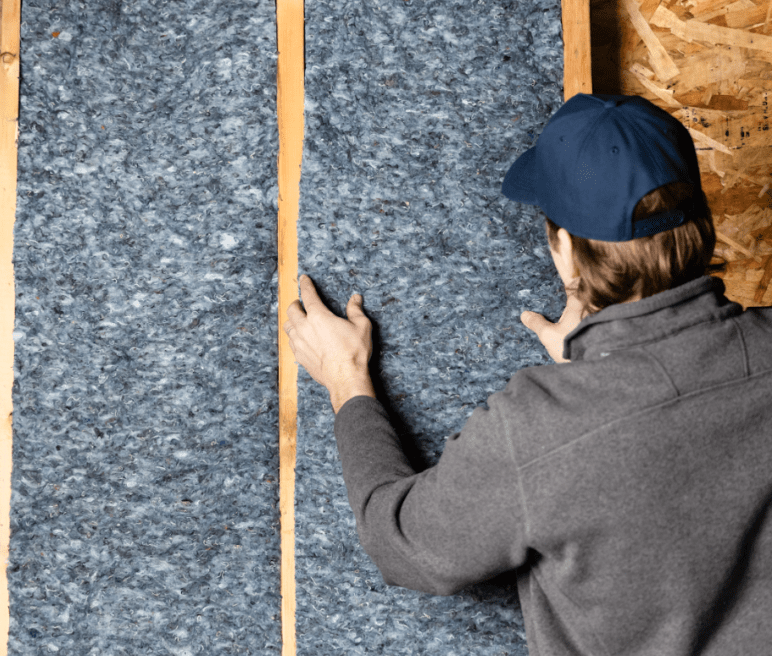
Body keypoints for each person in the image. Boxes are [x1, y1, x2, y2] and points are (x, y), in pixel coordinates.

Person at [282, 93, 772, 655]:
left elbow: (401, 544)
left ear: (564, 249)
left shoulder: (536, 430)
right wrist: (604, 368)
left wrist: (345, 377)